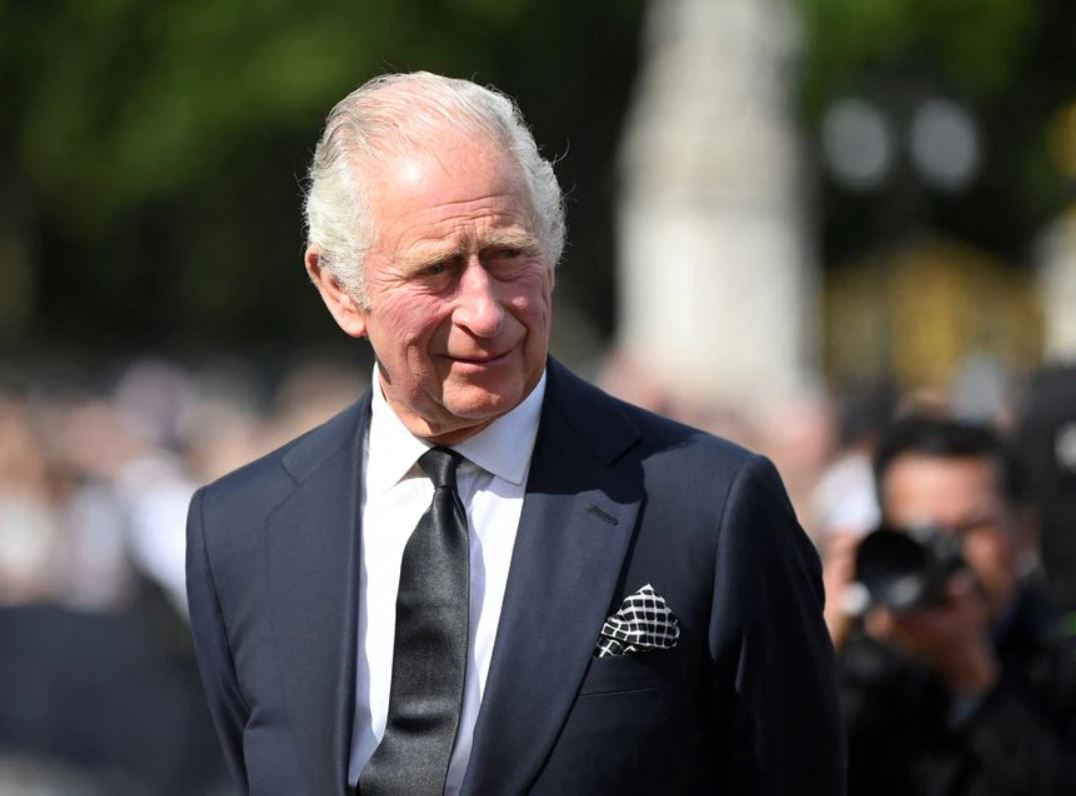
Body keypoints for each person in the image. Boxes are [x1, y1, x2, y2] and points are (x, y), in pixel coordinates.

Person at [185, 71, 844, 796]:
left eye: (508, 256)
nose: (487, 311)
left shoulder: (707, 509)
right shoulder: (240, 530)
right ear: (340, 288)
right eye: (437, 271)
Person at [833, 414, 1076, 795]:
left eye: (972, 529)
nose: (951, 556)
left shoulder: (1060, 649)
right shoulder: (866, 659)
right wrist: (817, 653)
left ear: (1025, 530)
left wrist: (974, 678)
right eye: (923, 534)